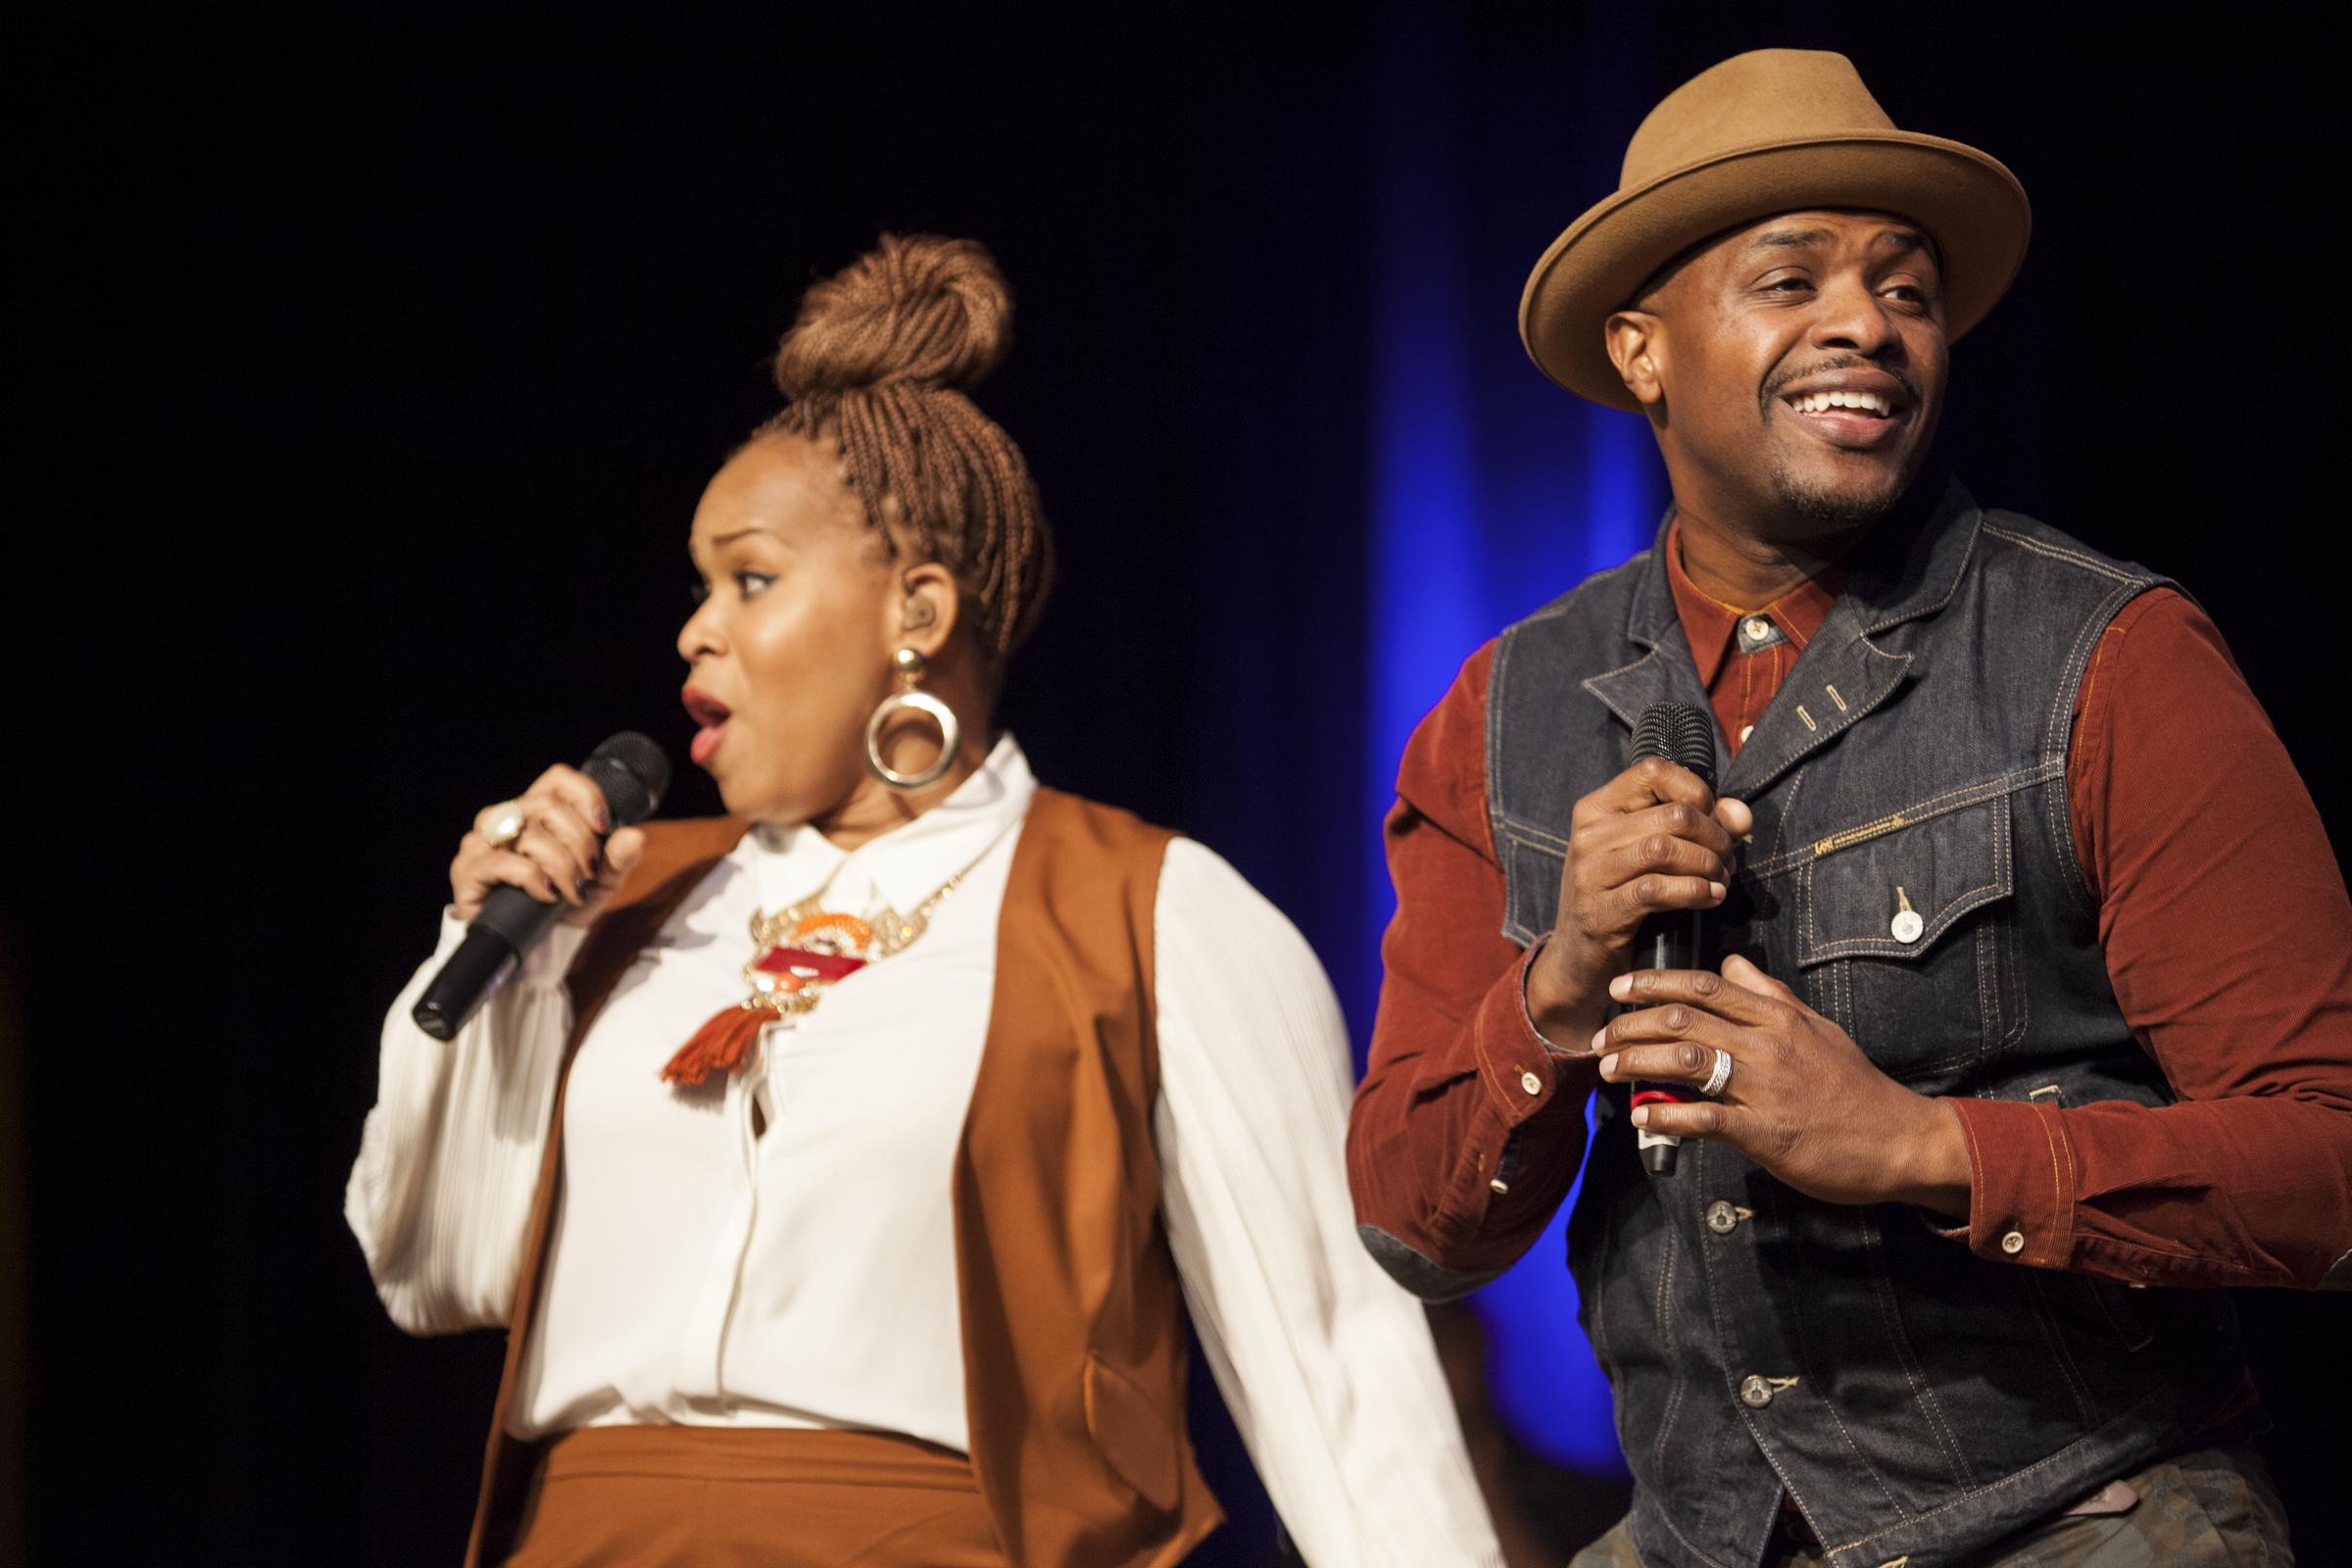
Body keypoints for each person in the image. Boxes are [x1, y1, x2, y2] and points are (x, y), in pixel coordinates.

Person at [348, 233, 1501, 1568]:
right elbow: (436, 1272)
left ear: (918, 607)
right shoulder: (613, 908)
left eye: (751, 579)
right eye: (698, 586)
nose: (695, 630)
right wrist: (499, 958)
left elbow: (1339, 1365)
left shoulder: (1151, 914)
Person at [1346, 49, 2352, 1568]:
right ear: (1641, 350)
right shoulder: (1504, 713)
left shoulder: (2108, 658)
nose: (1866, 325)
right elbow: (1414, 1227)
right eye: (1790, 277)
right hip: (1705, 1538)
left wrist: (1919, 1146)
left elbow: (2328, 1163)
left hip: (2084, 1516)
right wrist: (1555, 990)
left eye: (1905, 287)